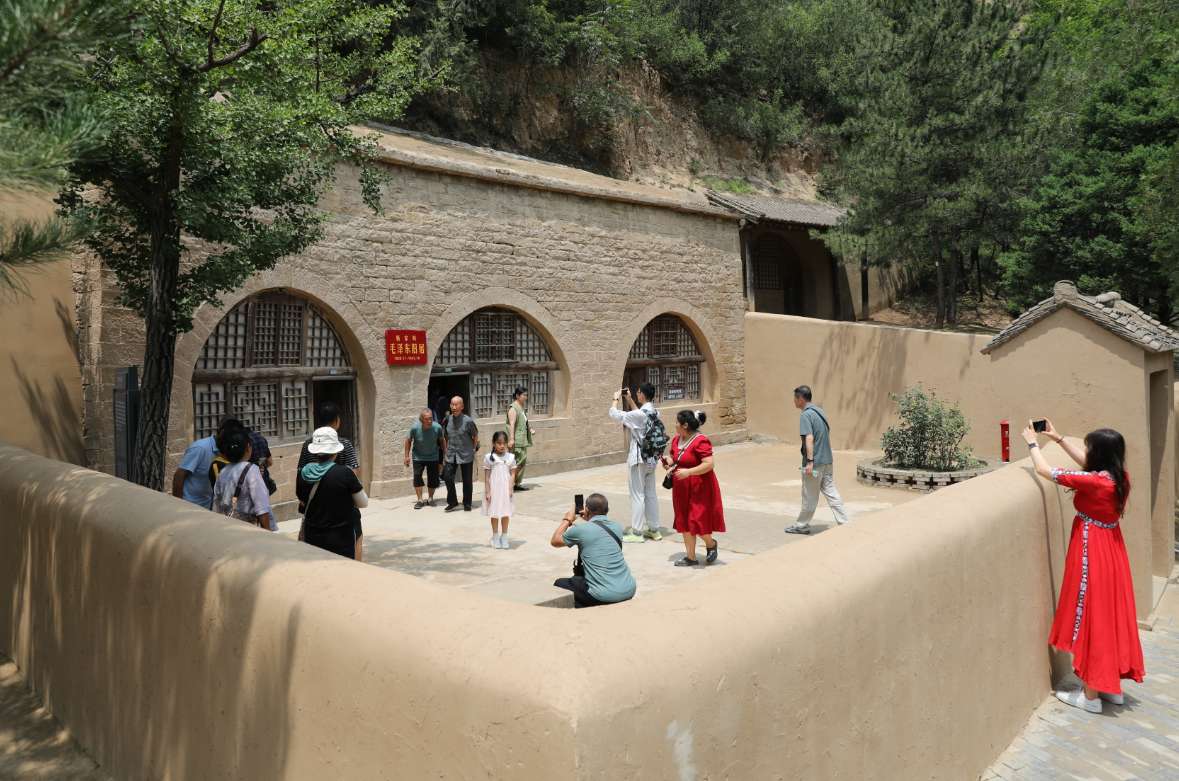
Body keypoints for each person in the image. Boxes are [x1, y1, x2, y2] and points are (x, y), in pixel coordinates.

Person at [1023, 419, 1145, 714]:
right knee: (1110, 611)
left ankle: (1090, 696)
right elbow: (1088, 466)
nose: (1086, 452)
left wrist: (1032, 443)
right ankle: (1110, 686)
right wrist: (1059, 438)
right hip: (1112, 549)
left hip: (1091, 548)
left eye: (1090, 448)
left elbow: (1045, 471)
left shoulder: (1095, 482)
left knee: (1092, 613)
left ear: (1099, 454)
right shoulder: (1119, 477)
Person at [550, 493, 636, 608]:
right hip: (628, 589)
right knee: (579, 581)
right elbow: (596, 532)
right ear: (607, 510)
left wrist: (567, 519)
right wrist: (588, 518)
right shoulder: (617, 527)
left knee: (559, 583)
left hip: (603, 594)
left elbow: (555, 541)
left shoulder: (580, 529)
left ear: (586, 509)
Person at [296, 427, 369, 560]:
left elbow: (302, 499)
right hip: (341, 539)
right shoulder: (345, 473)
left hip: (313, 536)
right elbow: (363, 503)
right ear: (335, 451)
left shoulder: (304, 473)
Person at [784, 385, 850, 535]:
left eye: (795, 398)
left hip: (815, 463)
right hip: (827, 460)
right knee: (831, 492)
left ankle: (802, 526)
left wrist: (810, 462)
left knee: (809, 496)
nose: (794, 401)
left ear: (801, 399)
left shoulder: (806, 415)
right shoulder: (820, 412)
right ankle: (845, 522)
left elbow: (809, 437)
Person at [662, 410, 725, 566]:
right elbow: (675, 458)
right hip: (681, 487)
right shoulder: (676, 440)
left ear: (685, 425)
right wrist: (669, 462)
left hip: (699, 487)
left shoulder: (700, 441)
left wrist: (689, 472)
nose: (675, 425)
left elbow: (709, 464)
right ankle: (691, 557)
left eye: (677, 422)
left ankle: (711, 544)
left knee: (697, 520)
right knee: (684, 520)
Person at [608, 382, 665, 543]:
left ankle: (637, 532)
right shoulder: (655, 412)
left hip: (639, 459)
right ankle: (654, 529)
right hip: (651, 458)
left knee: (637, 494)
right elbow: (639, 415)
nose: (637, 393)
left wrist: (615, 398)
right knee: (650, 494)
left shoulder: (639, 415)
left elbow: (614, 414)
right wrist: (630, 400)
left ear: (642, 394)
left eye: (638, 392)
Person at [211, 428, 272, 530]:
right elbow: (261, 508)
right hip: (247, 528)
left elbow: (217, 503)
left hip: (227, 526)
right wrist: (268, 532)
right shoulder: (252, 470)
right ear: (248, 448)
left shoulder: (224, 471)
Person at [172, 417, 239, 510]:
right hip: (189, 506)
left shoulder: (229, 450)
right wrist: (178, 505)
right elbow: (179, 475)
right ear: (221, 432)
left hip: (208, 507)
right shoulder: (200, 448)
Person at [297, 401, 359, 474]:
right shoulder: (345, 444)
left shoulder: (308, 444)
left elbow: (300, 471)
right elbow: (353, 472)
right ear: (337, 420)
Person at [441, 395, 479, 512]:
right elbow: (445, 436)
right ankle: (452, 502)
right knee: (447, 477)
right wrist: (445, 450)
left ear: (462, 406)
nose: (454, 407)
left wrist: (473, 449)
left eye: (456, 404)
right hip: (451, 453)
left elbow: (475, 436)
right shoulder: (447, 420)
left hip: (466, 454)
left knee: (467, 480)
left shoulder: (468, 421)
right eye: (452, 404)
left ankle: (467, 503)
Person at [482, 431, 517, 549]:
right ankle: (495, 536)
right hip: (494, 489)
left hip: (506, 490)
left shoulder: (511, 457)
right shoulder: (489, 458)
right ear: (493, 443)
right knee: (495, 513)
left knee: (506, 512)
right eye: (499, 443)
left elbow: (513, 474)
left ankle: (504, 536)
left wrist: (510, 489)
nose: (502, 446)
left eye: (504, 443)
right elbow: (487, 477)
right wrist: (488, 492)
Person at [404, 408, 445, 509]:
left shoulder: (437, 427)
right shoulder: (415, 428)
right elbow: (408, 440)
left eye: (431, 418)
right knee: (417, 477)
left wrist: (445, 453)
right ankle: (420, 500)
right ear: (421, 419)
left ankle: (430, 498)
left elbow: (442, 440)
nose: (429, 421)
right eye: (427, 419)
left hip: (433, 456)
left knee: (433, 479)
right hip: (418, 457)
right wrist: (406, 456)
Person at [506, 386, 535, 491]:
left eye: (526, 395)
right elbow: (512, 424)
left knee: (521, 461)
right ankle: (509, 483)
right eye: (524, 395)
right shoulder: (513, 408)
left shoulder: (521, 407)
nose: (526, 397)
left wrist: (530, 429)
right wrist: (511, 439)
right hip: (517, 440)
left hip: (522, 439)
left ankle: (515, 483)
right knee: (517, 462)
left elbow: (524, 421)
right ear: (518, 396)